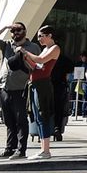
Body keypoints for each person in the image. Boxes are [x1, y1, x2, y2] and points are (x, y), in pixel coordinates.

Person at [0, 22, 40, 159]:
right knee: (9, 121)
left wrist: (24, 53)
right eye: (13, 30)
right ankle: (9, 148)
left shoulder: (33, 47)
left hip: (20, 88)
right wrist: (5, 27)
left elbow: (38, 65)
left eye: (18, 30)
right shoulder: (7, 45)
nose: (15, 33)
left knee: (21, 120)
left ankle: (21, 150)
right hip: (4, 88)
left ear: (25, 31)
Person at [19, 26, 61, 159]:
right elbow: (36, 65)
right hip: (36, 83)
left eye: (41, 36)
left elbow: (40, 61)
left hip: (43, 84)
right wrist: (26, 58)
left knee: (43, 116)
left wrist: (25, 52)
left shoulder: (55, 48)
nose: (39, 39)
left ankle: (46, 150)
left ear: (49, 35)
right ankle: (43, 149)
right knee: (37, 117)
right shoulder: (45, 49)